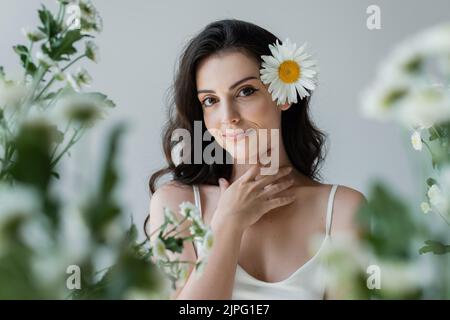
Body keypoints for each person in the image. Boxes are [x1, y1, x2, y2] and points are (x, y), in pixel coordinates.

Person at [146, 19, 366, 299]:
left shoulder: (343, 211)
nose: (228, 118)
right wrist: (228, 223)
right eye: (210, 100)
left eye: (245, 91)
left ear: (283, 94)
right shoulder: (177, 205)